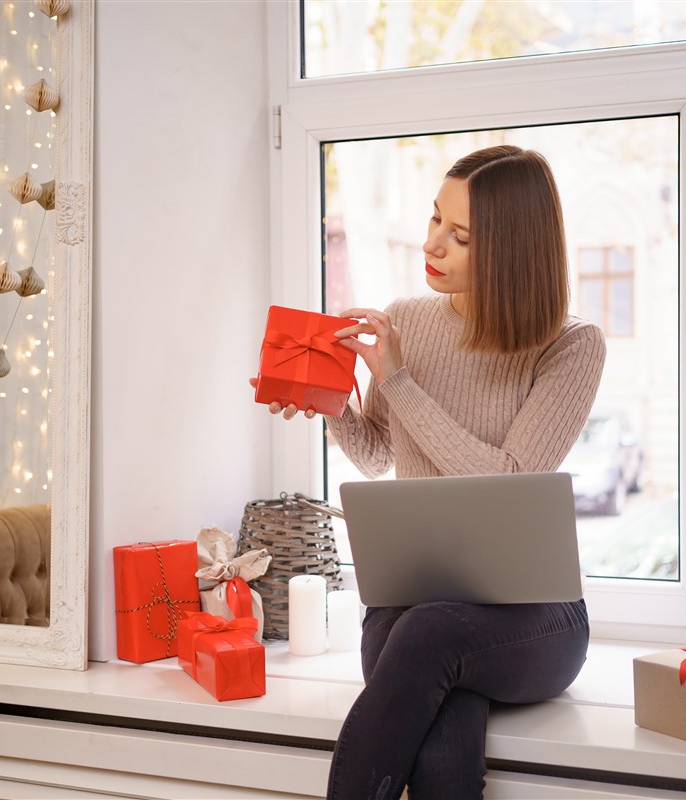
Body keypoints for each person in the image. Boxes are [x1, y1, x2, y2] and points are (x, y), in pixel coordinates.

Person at [254, 145, 606, 799]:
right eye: (435, 219)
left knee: (428, 636)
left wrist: (400, 382)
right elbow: (378, 456)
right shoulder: (409, 320)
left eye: (461, 235)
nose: (432, 243)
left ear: (511, 250)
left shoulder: (570, 344)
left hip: (530, 620)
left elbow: (509, 479)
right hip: (413, 614)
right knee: (443, 723)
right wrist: (334, 403)